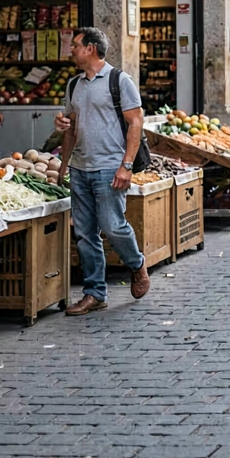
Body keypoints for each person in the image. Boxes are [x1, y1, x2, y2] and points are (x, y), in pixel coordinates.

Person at [54, 27, 150, 316]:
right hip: (80, 168)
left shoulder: (119, 81)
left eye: (75, 45)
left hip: (110, 167)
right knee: (85, 233)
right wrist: (63, 164)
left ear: (91, 49)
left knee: (112, 226)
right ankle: (94, 293)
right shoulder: (74, 84)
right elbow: (71, 127)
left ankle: (136, 264)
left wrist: (126, 166)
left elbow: (136, 123)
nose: (71, 50)